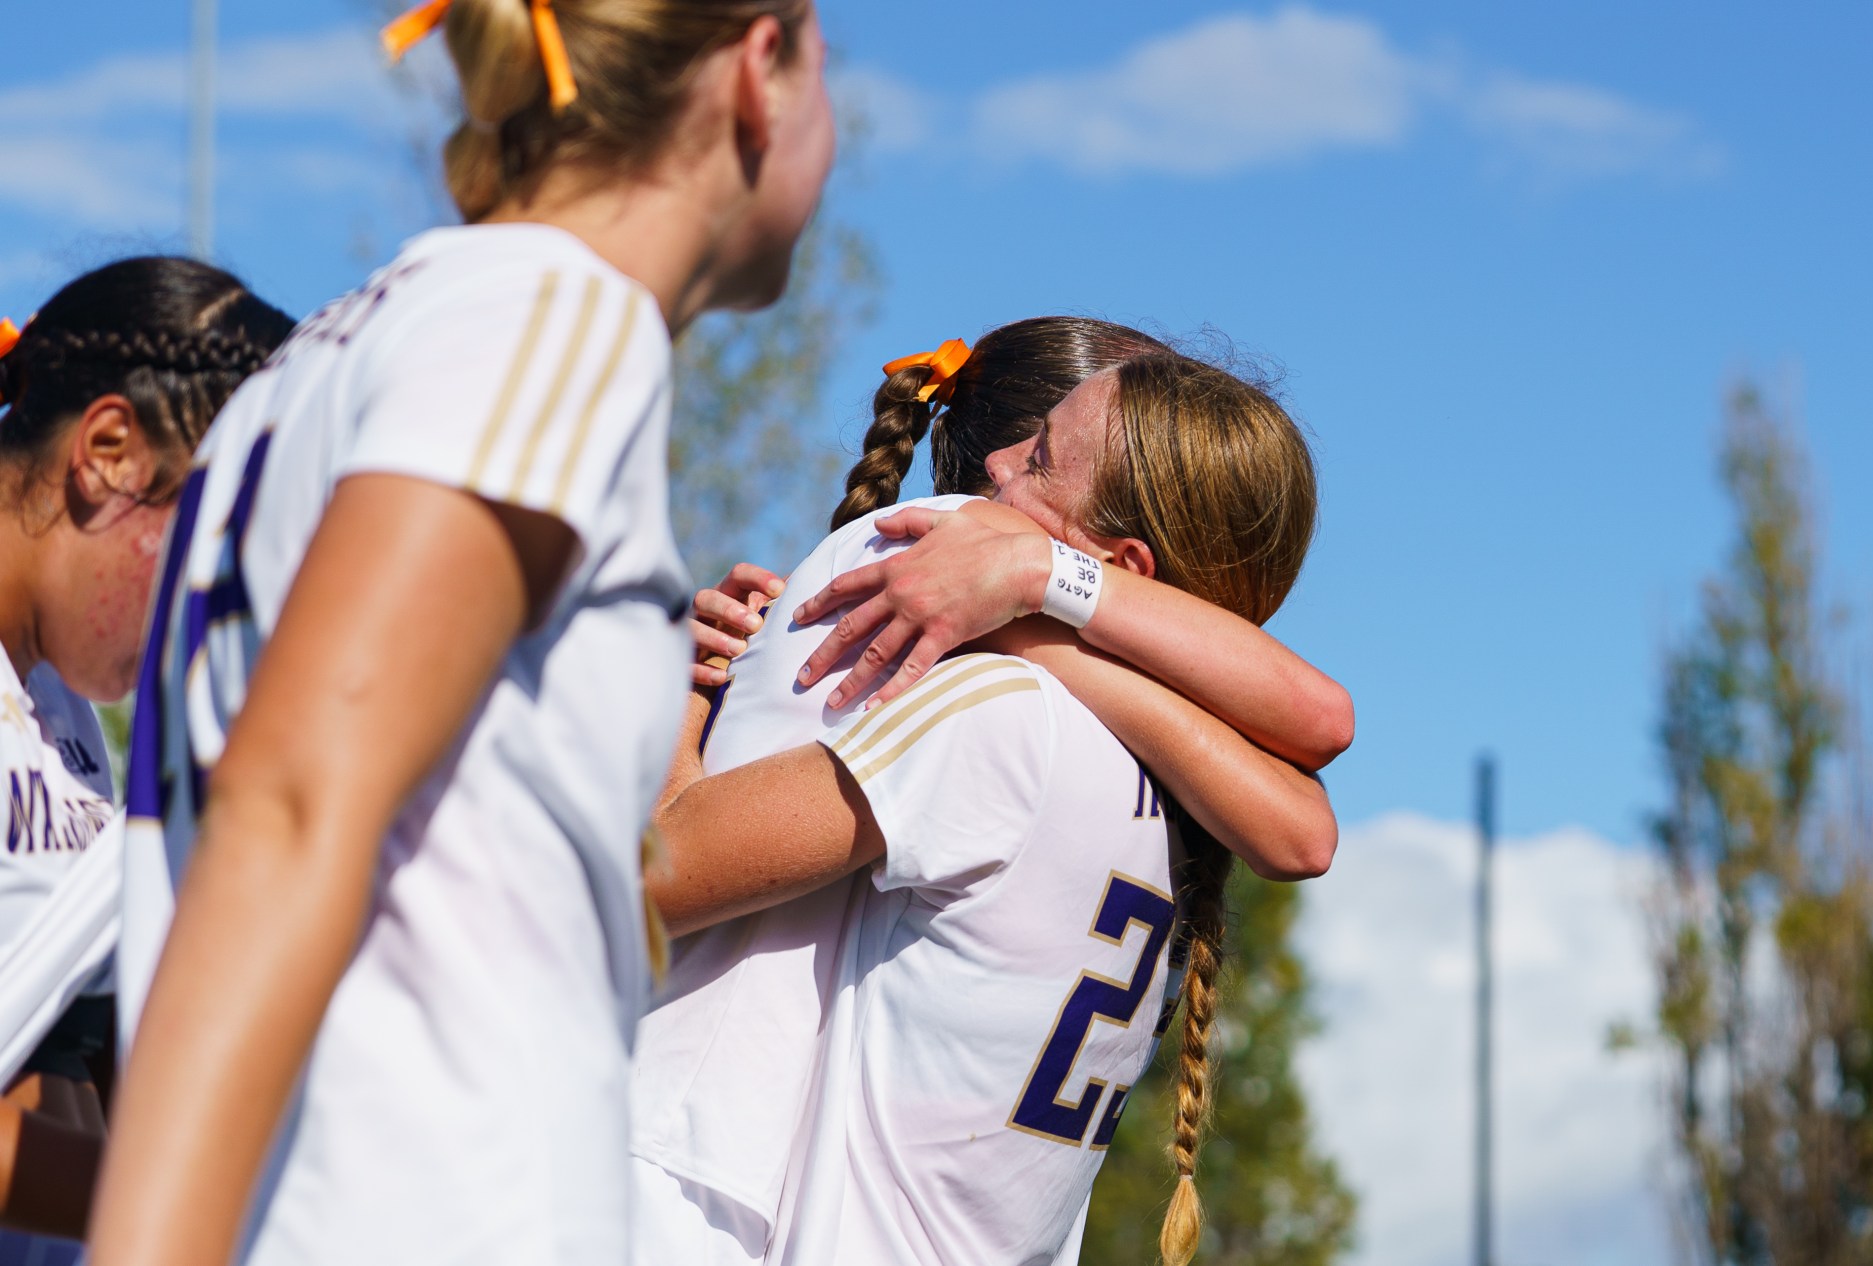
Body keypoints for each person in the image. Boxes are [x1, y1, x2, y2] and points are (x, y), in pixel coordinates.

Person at [88, 1, 835, 1263]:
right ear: (760, 67)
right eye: (831, 69)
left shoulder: (334, 352)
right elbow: (292, 805)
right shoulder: (553, 314)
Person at [635, 344, 1341, 1265]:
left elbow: (649, 880)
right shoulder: (1176, 805)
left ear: (1120, 560)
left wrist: (675, 694)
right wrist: (1042, 623)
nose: (994, 471)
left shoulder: (983, 683)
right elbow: (1309, 816)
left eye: (1039, 457)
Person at [0, 260, 294, 1257]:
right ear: (110, 452)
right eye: (218, 555)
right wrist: (250, 1193)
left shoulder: (63, 706)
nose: (207, 620)